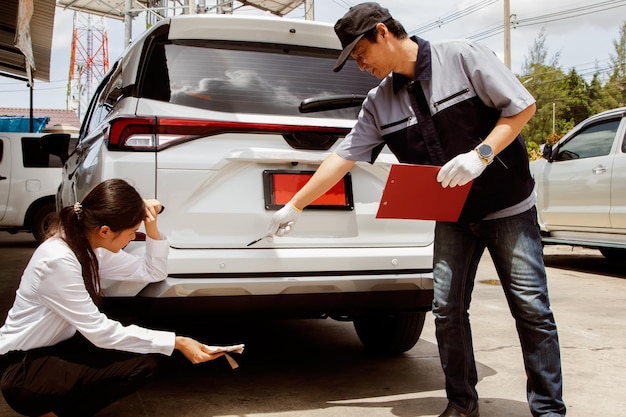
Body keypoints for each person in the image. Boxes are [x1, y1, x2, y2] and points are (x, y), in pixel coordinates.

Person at [266, 3, 566, 417]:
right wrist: (295, 204)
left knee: (531, 307)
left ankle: (548, 410)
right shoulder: (378, 102)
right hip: (453, 215)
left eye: (360, 53)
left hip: (508, 206)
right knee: (445, 309)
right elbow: (345, 156)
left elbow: (521, 106)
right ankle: (462, 404)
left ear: (382, 33)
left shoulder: (461, 56)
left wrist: (480, 154)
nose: (360, 64)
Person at [0, 179, 228, 417]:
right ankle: (55, 412)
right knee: (140, 357)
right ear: (105, 231)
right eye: (131, 233)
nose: (131, 238)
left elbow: (153, 272)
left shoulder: (88, 247)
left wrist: (151, 228)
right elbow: (100, 331)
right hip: (22, 371)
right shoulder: (58, 259)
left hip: (56, 349)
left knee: (143, 361)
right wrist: (177, 342)